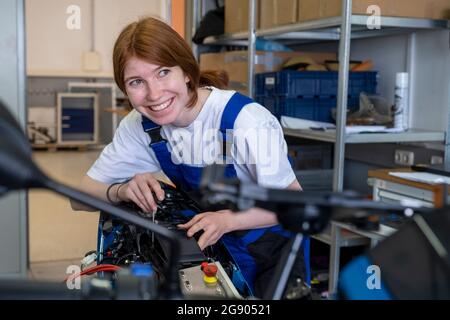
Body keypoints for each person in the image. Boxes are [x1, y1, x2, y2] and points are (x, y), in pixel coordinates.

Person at [71, 16, 303, 297]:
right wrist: (122, 189)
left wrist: (227, 220)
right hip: (211, 252)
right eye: (136, 82)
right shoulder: (142, 125)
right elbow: (79, 198)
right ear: (124, 90)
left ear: (187, 71)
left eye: (163, 72)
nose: (154, 93)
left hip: (268, 255)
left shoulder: (243, 120)